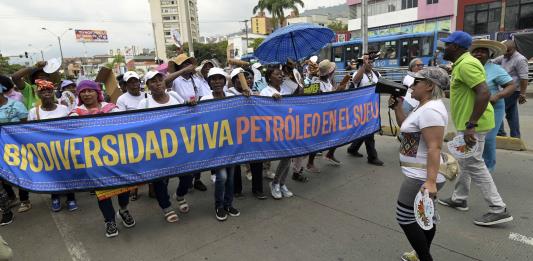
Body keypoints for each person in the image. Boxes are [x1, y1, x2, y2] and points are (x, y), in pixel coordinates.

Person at [437, 31, 513, 226]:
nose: (444, 48)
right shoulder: (461, 64)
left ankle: (498, 208)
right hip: (469, 124)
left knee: (475, 164)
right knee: (466, 162)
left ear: (456, 47)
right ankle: (459, 199)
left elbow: (484, 92)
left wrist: (471, 125)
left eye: (448, 44)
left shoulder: (467, 64)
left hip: (474, 125)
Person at [390, 67, 449, 261]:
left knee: (404, 218)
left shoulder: (431, 110)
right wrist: (398, 107)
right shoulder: (423, 106)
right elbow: (407, 128)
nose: (411, 85)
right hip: (422, 174)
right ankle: (420, 255)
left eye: (416, 82)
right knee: (425, 218)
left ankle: (425, 258)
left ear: (430, 86)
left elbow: (434, 147)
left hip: (421, 176)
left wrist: (430, 181)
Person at [69, 80, 136, 238]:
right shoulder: (75, 113)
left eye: (89, 90)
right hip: (94, 161)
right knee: (103, 192)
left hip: (117, 157)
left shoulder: (111, 109)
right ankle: (109, 221)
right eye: (82, 91)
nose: (86, 94)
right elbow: (70, 133)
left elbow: (124, 125)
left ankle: (124, 210)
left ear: (97, 92)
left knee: (124, 188)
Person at [138, 71, 192, 222]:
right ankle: (166, 206)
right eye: (153, 81)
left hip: (179, 145)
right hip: (157, 149)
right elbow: (139, 127)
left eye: (160, 79)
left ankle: (180, 195)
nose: (157, 83)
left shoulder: (175, 96)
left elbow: (186, 113)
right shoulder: (145, 104)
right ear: (148, 86)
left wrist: (190, 105)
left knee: (188, 175)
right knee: (160, 180)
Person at [27, 79, 78, 212]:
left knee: (67, 172)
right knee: (52, 174)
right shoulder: (34, 112)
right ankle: (54, 197)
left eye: (49, 91)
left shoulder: (63, 108)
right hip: (46, 150)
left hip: (64, 147)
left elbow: (71, 127)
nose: (47, 94)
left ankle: (71, 197)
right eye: (43, 91)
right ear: (38, 95)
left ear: (53, 92)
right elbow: (29, 131)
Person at [199, 68, 240, 221]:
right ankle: (219, 205)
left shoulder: (232, 97)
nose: (217, 82)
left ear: (224, 81)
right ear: (209, 82)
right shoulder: (204, 100)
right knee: (221, 176)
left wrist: (249, 95)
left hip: (231, 144)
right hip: (215, 145)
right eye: (213, 79)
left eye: (219, 78)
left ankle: (229, 204)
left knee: (231, 176)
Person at [469, 40, 515, 174]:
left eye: (483, 51)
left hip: (493, 107)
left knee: (488, 138)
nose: (479, 54)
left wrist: (498, 96)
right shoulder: (468, 67)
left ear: (489, 54)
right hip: (474, 107)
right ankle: (474, 165)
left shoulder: (495, 69)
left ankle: (488, 168)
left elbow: (511, 86)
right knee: (473, 137)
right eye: (476, 51)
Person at [168, 54, 209, 192]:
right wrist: (181, 72)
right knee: (184, 150)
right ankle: (185, 178)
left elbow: (203, 95)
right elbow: (165, 81)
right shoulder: (176, 80)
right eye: (185, 64)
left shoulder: (196, 80)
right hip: (180, 120)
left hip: (196, 118)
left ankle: (197, 178)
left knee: (198, 149)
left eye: (189, 64)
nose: (189, 67)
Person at [228, 68, 267, 199]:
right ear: (234, 81)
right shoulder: (229, 94)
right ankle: (236, 189)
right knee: (236, 162)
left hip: (252, 131)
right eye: (243, 77)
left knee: (256, 160)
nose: (247, 80)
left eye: (248, 78)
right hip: (235, 132)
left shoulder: (254, 93)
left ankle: (258, 189)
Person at [261, 66, 295, 200]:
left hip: (288, 127)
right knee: (286, 156)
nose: (280, 76)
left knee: (289, 155)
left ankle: (280, 184)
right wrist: (271, 101)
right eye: (277, 74)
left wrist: (293, 70)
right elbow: (262, 109)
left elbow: (300, 91)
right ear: (269, 77)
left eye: (281, 74)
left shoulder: (286, 89)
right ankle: (275, 183)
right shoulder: (265, 91)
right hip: (273, 129)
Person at [347, 54, 384, 166]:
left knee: (365, 130)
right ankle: (372, 157)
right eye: (367, 61)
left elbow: (382, 85)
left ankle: (353, 149)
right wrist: (363, 66)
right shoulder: (358, 73)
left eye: (371, 61)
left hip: (373, 107)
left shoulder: (376, 74)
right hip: (361, 108)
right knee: (369, 131)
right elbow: (355, 80)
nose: (370, 62)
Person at [0, 77, 28, 226]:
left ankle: (24, 199)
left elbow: (25, 127)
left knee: (20, 173)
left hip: (16, 147)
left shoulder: (16, 105)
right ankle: (9, 202)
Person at [493, 40, 529, 138]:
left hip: (513, 90)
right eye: (504, 51)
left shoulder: (520, 59)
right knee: (512, 114)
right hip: (504, 88)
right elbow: (493, 61)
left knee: (498, 109)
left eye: (507, 51)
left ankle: (500, 133)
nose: (505, 53)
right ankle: (515, 136)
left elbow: (524, 78)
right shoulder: (504, 56)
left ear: (514, 49)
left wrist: (522, 94)